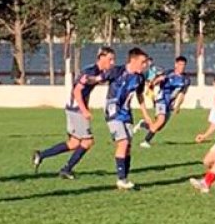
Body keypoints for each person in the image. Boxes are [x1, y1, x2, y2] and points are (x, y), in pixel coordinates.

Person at [33, 46, 115, 180]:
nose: (112, 62)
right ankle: (66, 169)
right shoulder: (90, 71)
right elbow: (77, 91)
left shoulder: (97, 71)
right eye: (110, 59)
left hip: (72, 108)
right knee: (88, 142)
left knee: (74, 143)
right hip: (77, 110)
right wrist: (84, 110)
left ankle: (41, 155)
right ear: (101, 58)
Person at [104, 47, 154, 190]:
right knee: (123, 142)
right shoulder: (117, 72)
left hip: (126, 114)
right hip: (113, 112)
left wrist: (146, 115)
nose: (145, 65)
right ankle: (121, 179)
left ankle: (124, 178)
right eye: (143, 62)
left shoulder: (139, 78)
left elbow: (140, 96)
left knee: (128, 147)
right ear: (133, 60)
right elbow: (99, 78)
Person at [140, 56, 191, 148]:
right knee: (160, 120)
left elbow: (183, 93)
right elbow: (155, 81)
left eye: (183, 65)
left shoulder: (186, 79)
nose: (181, 67)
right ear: (175, 64)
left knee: (159, 127)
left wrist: (178, 105)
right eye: (180, 64)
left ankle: (144, 124)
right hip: (161, 99)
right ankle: (146, 141)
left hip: (169, 103)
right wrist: (155, 81)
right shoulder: (168, 73)